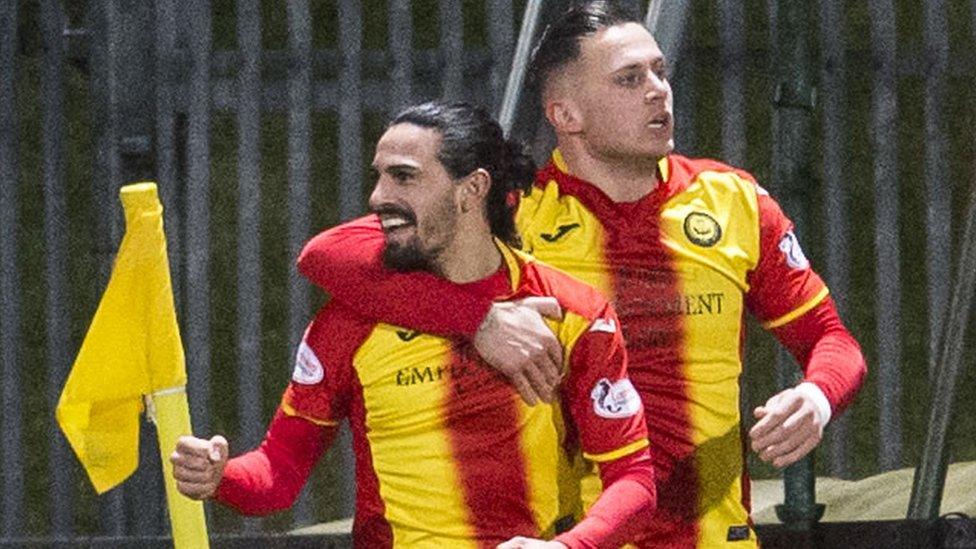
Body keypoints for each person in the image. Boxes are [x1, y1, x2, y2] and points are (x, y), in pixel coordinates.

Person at [295, 2, 867, 547]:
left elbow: (832, 340)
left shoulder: (733, 202)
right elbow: (327, 254)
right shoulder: (512, 213)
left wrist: (816, 398)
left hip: (716, 538)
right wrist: (479, 317)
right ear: (565, 115)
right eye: (628, 79)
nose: (658, 90)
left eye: (660, 71)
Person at [171, 101, 657, 548]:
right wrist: (221, 479)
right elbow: (279, 473)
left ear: (473, 189)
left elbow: (633, 478)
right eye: (379, 176)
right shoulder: (349, 320)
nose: (378, 196)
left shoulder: (572, 311)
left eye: (404, 177)